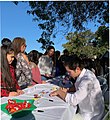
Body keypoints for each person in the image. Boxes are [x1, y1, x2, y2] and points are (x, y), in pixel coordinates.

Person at [50, 56, 104, 120]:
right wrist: (67, 90)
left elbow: (73, 100)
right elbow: (77, 86)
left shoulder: (87, 80)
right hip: (88, 110)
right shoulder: (85, 72)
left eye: (69, 72)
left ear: (77, 69)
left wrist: (59, 92)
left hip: (91, 115)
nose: (68, 74)